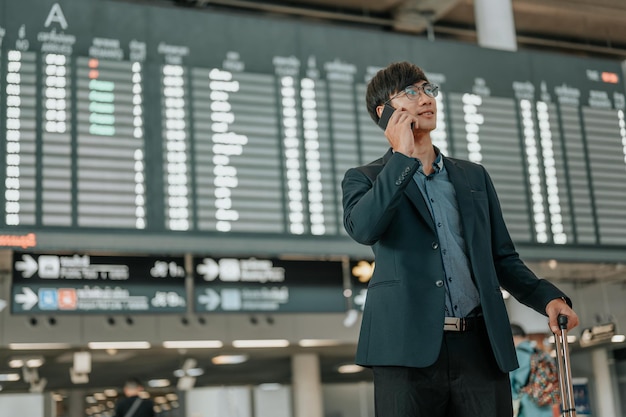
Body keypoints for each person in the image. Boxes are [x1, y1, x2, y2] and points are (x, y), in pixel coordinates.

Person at [341, 61, 579, 417]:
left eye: (427, 89)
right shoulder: (366, 179)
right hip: (405, 351)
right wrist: (401, 158)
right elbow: (364, 229)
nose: (425, 99)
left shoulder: (473, 177)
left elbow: (502, 258)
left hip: (480, 348)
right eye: (410, 92)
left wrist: (547, 298)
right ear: (384, 112)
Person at [510, 323, 555, 417]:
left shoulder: (515, 355)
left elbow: (510, 385)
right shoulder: (542, 353)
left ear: (512, 337)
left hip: (527, 407)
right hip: (545, 404)